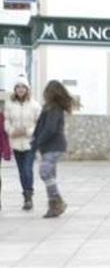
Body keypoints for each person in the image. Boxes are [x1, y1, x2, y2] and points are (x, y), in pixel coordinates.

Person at [31, 80, 74, 218]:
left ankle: (57, 201)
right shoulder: (49, 107)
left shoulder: (54, 109)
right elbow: (41, 126)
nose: (45, 94)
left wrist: (38, 141)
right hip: (50, 147)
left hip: (54, 146)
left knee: (45, 173)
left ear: (52, 93)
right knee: (50, 175)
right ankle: (54, 205)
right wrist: (35, 138)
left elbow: (50, 129)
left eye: (47, 92)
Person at [6, 76, 42, 211]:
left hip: (29, 143)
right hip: (15, 142)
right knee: (21, 172)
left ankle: (29, 196)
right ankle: (26, 196)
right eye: (18, 87)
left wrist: (28, 131)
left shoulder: (35, 105)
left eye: (23, 87)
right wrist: (11, 130)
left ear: (27, 89)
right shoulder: (9, 104)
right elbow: (6, 121)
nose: (20, 89)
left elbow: (40, 124)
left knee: (27, 169)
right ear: (15, 90)